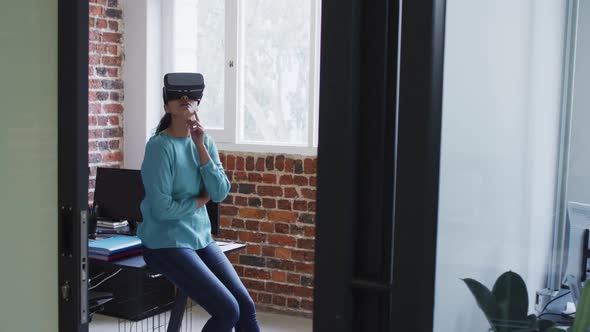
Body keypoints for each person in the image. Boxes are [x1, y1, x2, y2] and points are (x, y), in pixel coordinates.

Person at [137, 74, 260, 332]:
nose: (185, 99)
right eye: (177, 96)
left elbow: (219, 192)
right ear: (166, 107)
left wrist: (201, 145)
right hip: (165, 243)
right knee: (227, 311)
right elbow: (161, 209)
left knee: (245, 307)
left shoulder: (205, 141)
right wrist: (198, 202)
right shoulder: (159, 148)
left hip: (200, 237)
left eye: (190, 95)